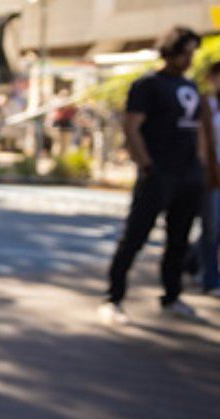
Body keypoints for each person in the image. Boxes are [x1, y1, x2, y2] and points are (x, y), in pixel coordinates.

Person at [99, 26, 208, 325]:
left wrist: (200, 165)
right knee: (135, 236)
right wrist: (147, 165)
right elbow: (132, 127)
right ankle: (114, 296)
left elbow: (197, 130)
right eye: (184, 53)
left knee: (179, 241)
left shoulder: (191, 87)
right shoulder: (148, 85)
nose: (188, 59)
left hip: (188, 176)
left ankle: (172, 296)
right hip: (159, 173)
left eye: (192, 54)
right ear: (170, 51)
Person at [196, 61, 220, 297]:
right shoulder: (205, 104)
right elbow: (202, 141)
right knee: (212, 227)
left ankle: (190, 262)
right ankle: (210, 278)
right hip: (212, 173)